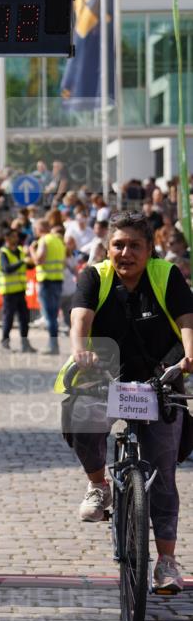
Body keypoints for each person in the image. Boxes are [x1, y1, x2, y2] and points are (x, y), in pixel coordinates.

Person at [56, 211, 193, 592]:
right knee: (82, 414)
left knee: (163, 472)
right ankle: (99, 484)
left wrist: (189, 354)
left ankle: (166, 561)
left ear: (150, 249)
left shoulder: (166, 276)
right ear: (107, 247)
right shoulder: (94, 276)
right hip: (106, 374)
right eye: (118, 244)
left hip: (160, 377)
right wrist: (80, 351)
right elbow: (79, 319)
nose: (125, 252)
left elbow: (187, 320)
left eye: (135, 245)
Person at [30, 217, 67, 354]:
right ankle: (53, 344)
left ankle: (53, 346)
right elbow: (63, 262)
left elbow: (39, 260)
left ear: (39, 229)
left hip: (46, 281)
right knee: (54, 314)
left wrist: (31, 250)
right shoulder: (58, 240)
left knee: (49, 316)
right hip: (58, 280)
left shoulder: (44, 240)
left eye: (35, 229)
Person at [0, 229, 36, 352]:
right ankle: (5, 342)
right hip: (9, 291)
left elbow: (29, 266)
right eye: (13, 236)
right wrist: (22, 261)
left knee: (24, 318)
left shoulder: (20, 251)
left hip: (21, 290)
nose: (16, 239)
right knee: (9, 317)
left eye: (16, 236)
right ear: (7, 239)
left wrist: (30, 260)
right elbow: (6, 268)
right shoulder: (3, 253)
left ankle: (25, 344)